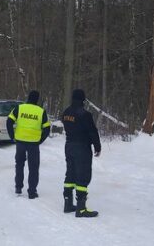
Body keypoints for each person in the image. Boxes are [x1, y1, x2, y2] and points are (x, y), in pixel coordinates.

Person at [61, 89, 101, 218]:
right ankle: (81, 208)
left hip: (69, 146)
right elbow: (92, 132)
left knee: (70, 173)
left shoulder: (66, 112)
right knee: (83, 175)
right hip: (82, 147)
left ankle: (68, 204)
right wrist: (97, 146)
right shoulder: (85, 114)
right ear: (83, 99)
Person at [7, 90, 51, 199]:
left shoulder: (20, 108)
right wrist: (40, 140)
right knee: (33, 168)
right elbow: (47, 128)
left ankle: (18, 187)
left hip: (20, 142)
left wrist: (12, 136)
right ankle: (32, 192)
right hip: (34, 144)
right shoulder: (41, 112)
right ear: (37, 99)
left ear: (28, 98)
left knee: (19, 164)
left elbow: (9, 121)